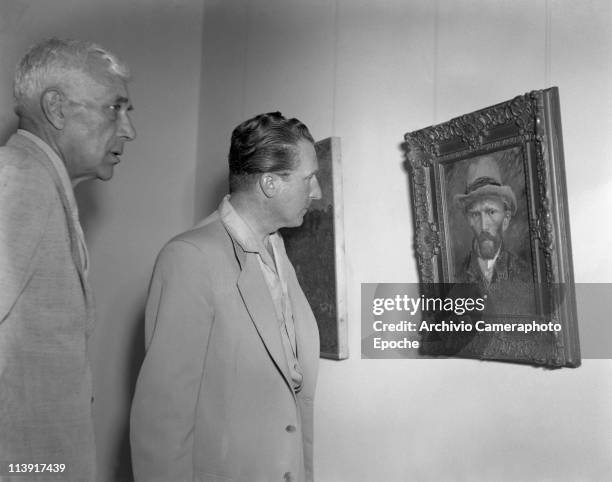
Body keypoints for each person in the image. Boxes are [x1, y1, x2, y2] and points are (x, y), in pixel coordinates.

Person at [130, 112, 321, 482]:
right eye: (309, 178)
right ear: (270, 183)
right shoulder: (190, 257)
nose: (317, 192)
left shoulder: (278, 252)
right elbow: (162, 419)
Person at [0, 38, 135, 480]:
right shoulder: (18, 181)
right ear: (56, 109)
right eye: (115, 108)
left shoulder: (41, 183)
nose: (128, 129)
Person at [454, 155, 532, 295]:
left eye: (491, 212)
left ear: (506, 219)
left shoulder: (526, 275)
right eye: (475, 214)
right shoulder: (455, 276)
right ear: (468, 220)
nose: (484, 226)